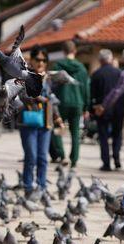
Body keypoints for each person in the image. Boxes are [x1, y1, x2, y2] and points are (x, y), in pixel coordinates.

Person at [18, 45, 63, 196]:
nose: (41, 63)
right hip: (29, 120)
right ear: (32, 60)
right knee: (31, 156)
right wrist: (38, 95)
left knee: (43, 158)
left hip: (46, 121)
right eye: (38, 60)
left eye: (44, 60)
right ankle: (28, 187)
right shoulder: (25, 76)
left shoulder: (48, 78)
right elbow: (22, 95)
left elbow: (52, 100)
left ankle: (42, 187)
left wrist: (58, 117)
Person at [49, 40, 90, 168]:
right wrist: (86, 106)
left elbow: (53, 86)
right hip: (78, 102)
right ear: (75, 51)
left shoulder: (57, 66)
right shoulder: (82, 68)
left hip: (61, 102)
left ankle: (62, 155)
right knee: (75, 132)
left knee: (57, 128)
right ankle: (74, 159)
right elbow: (86, 89)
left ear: (63, 51)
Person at [90, 49, 124, 172]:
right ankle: (116, 158)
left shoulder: (96, 74)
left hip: (101, 109)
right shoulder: (119, 73)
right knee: (117, 134)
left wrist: (91, 110)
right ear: (110, 59)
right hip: (118, 109)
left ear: (100, 60)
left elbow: (92, 94)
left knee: (103, 136)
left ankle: (106, 163)